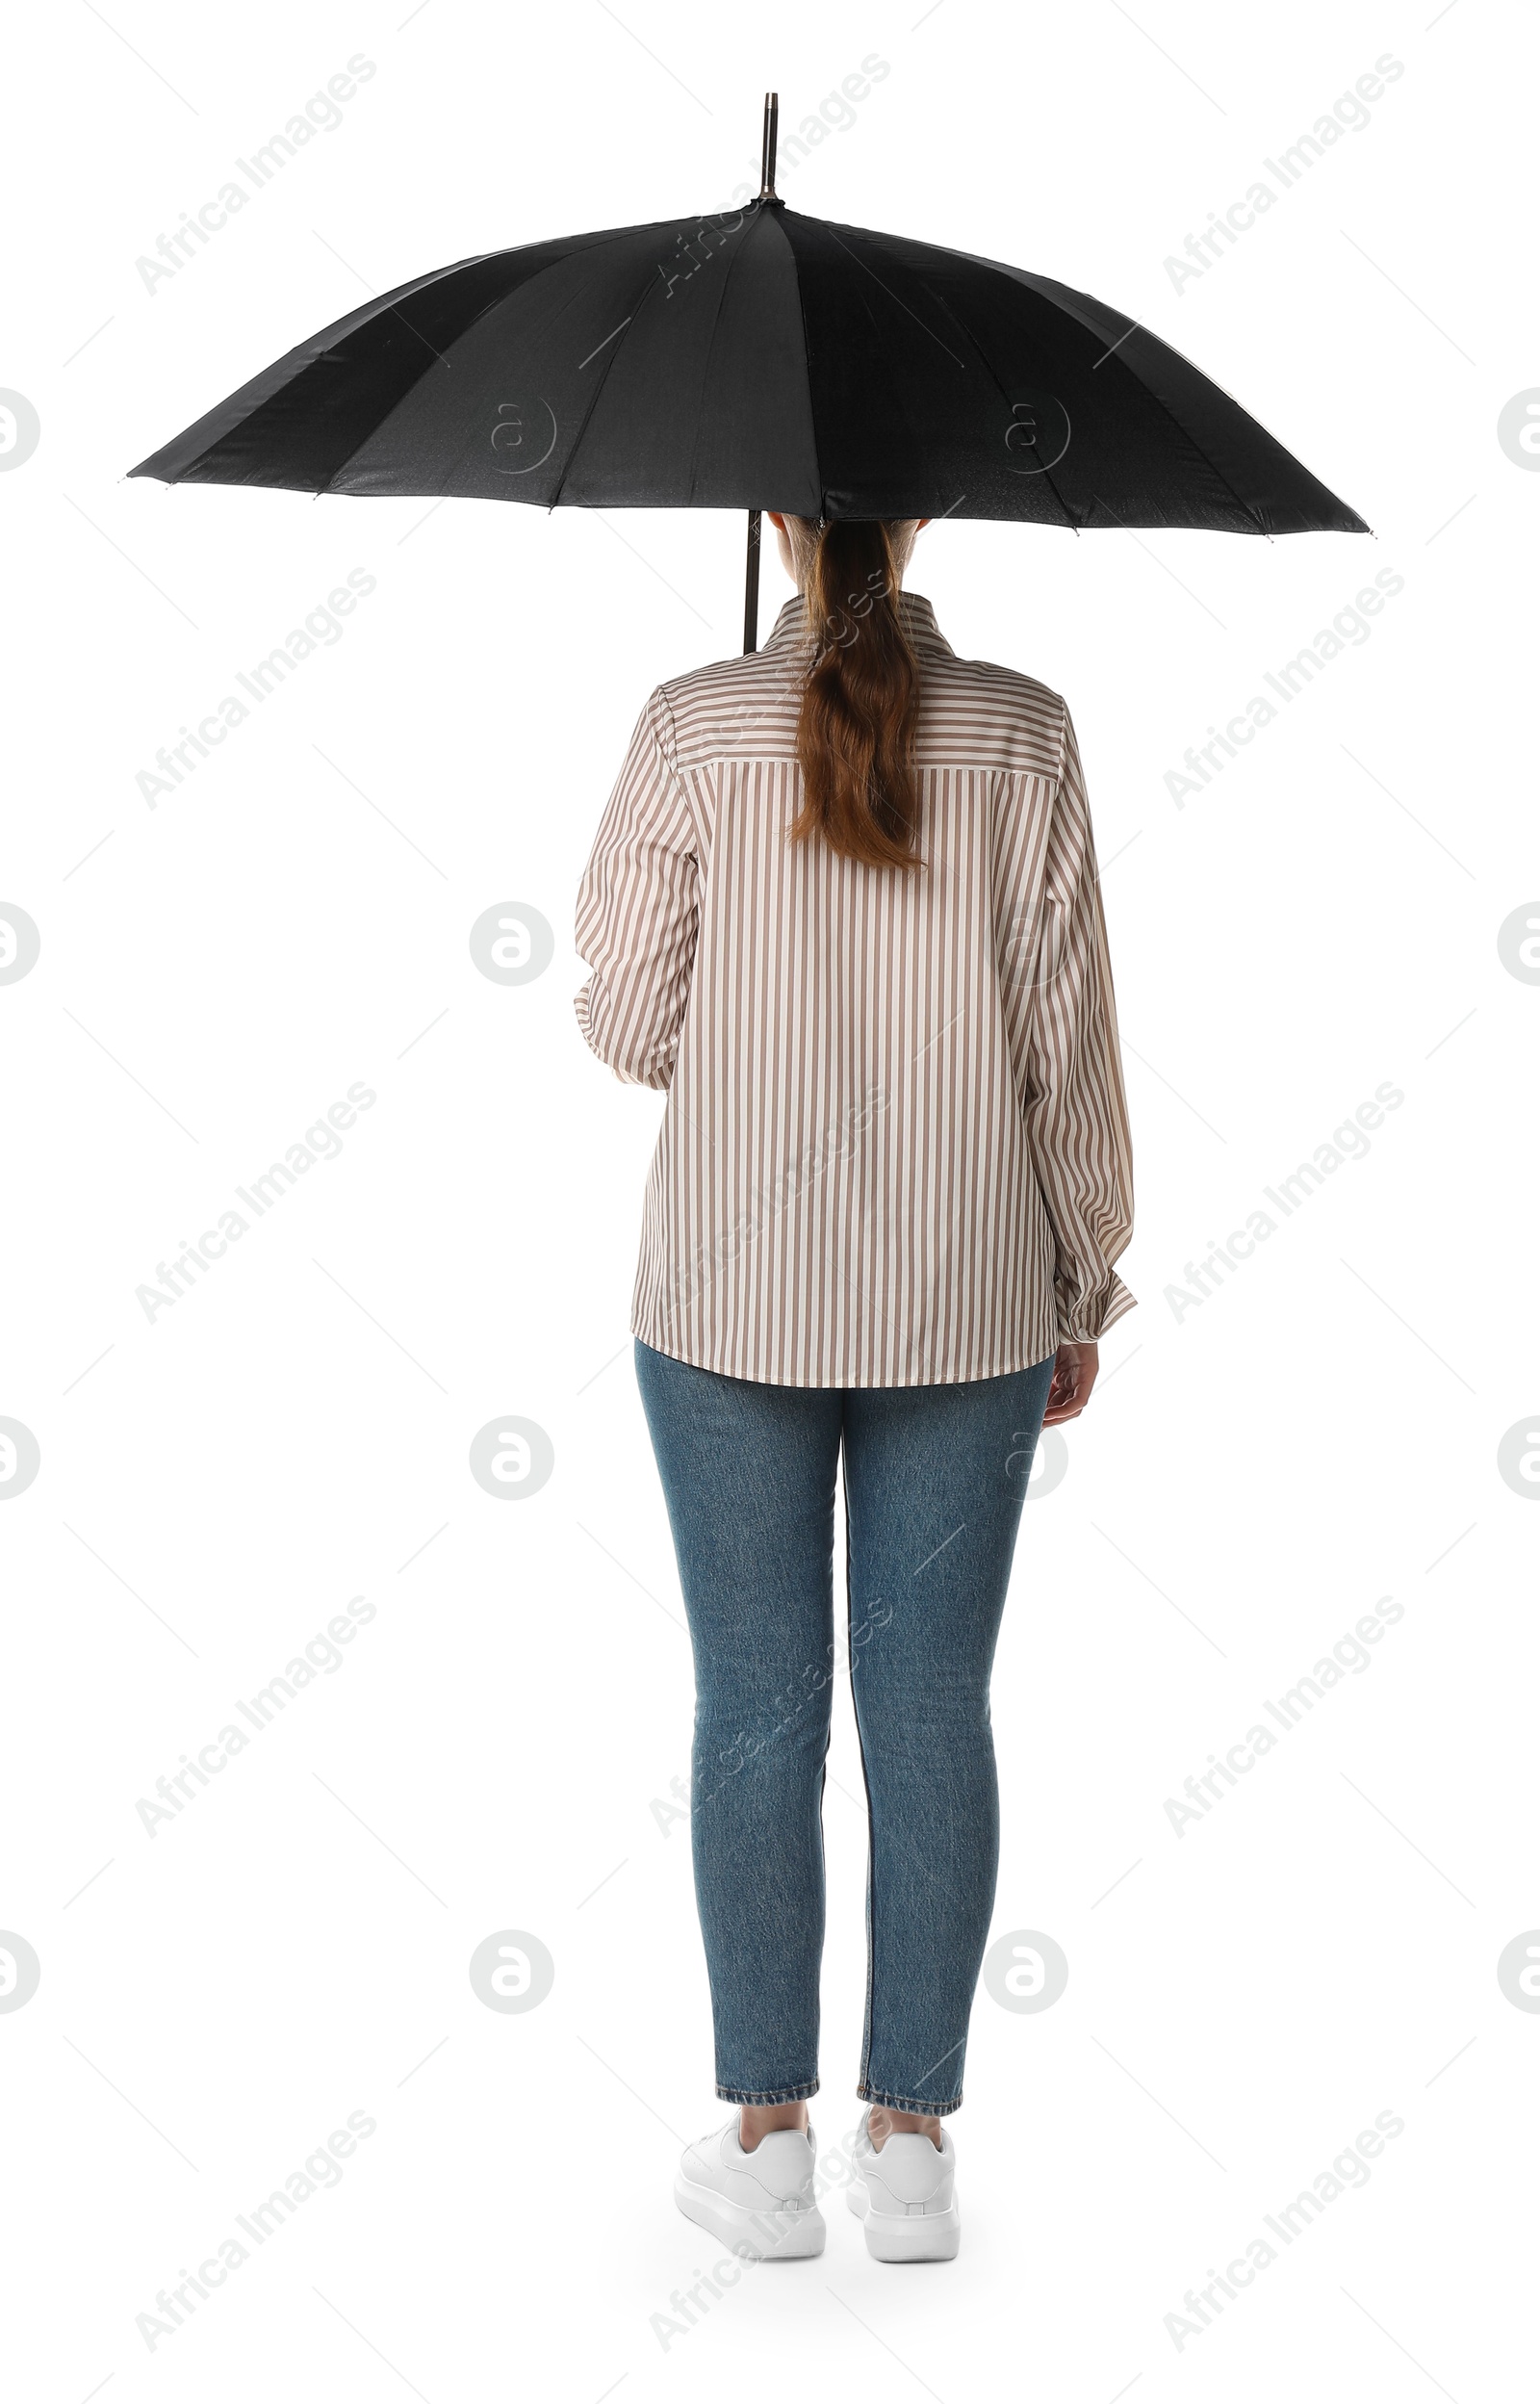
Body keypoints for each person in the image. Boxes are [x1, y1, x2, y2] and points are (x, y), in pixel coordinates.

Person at [574, 511, 1134, 2262]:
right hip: (967, 1301)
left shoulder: (691, 723)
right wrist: (1083, 1275)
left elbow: (628, 1024)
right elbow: (1067, 1041)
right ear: (918, 518)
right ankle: (911, 2151)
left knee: (753, 1706)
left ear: (782, 528)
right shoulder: (1026, 728)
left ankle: (763, 2144)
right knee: (930, 1713)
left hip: (729, 1300)